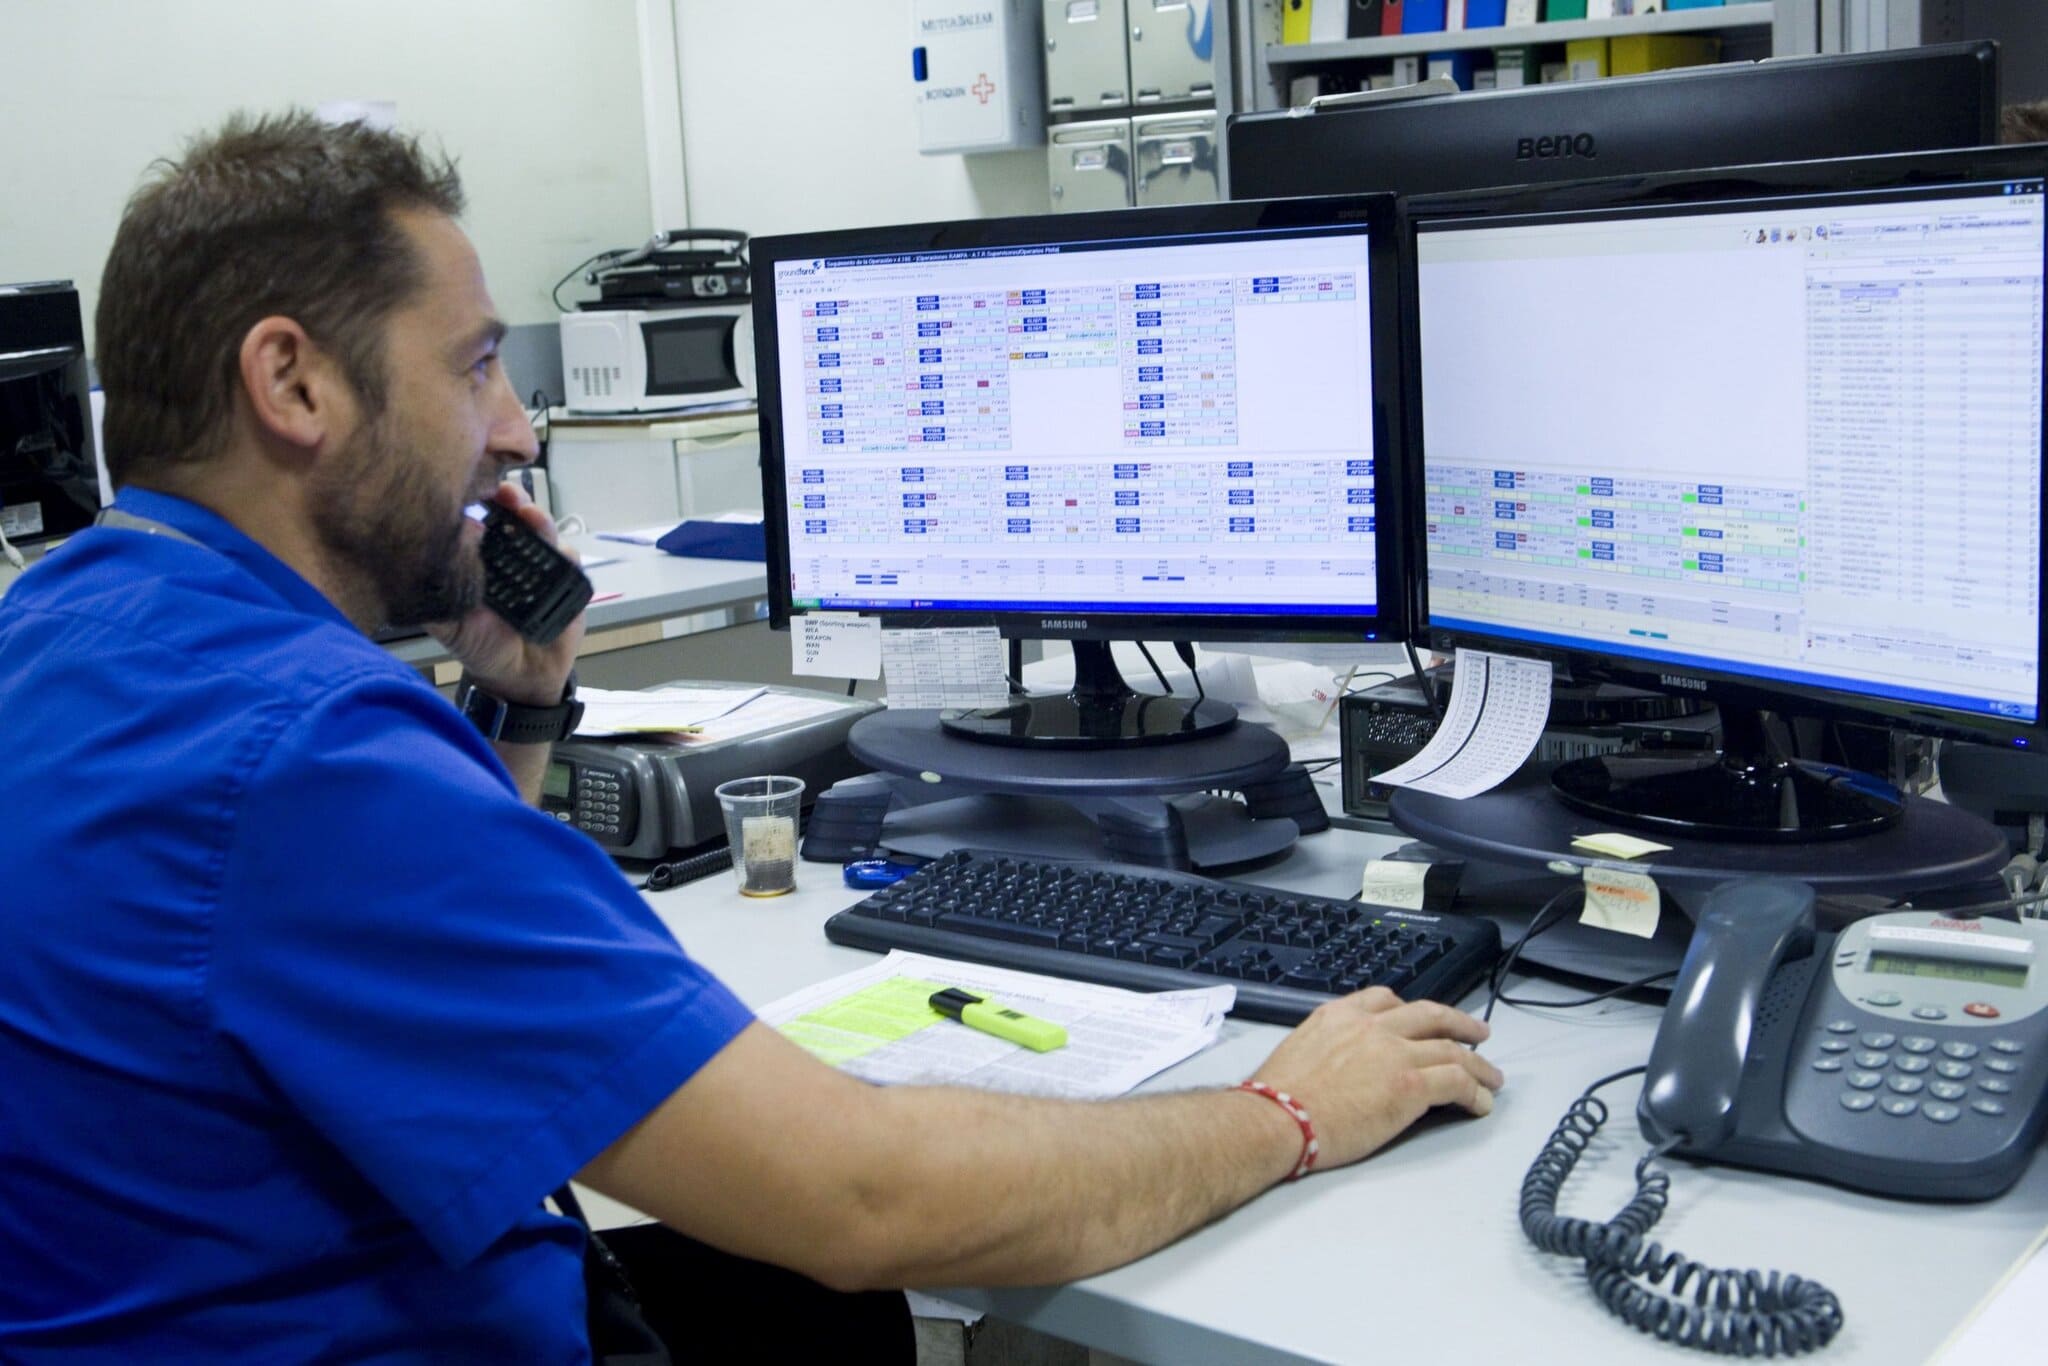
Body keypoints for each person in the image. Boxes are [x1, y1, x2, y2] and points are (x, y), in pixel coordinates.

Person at [0, 111, 1503, 1362]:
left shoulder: (70, 629)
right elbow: (865, 1195)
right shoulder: (311, 764)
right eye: (473, 364)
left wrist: (521, 701)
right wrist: (1288, 1106)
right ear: (294, 382)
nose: (516, 428)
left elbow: (357, 958)